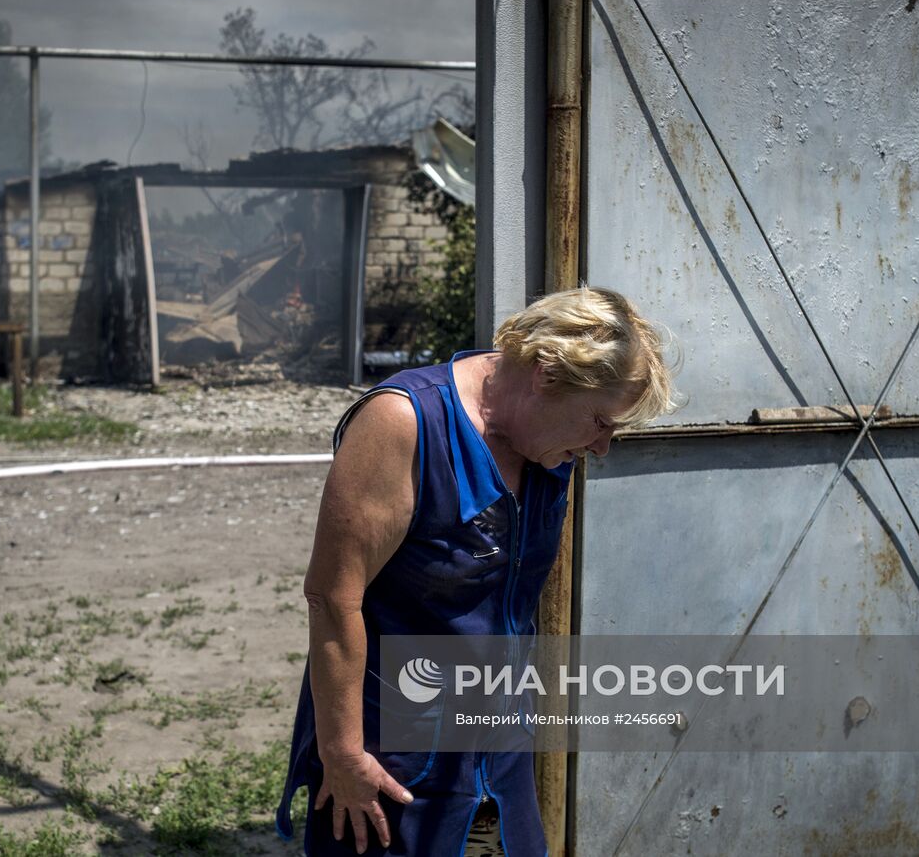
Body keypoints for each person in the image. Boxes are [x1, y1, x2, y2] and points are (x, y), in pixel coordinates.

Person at [276, 286, 680, 855]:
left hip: (498, 741)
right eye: (598, 421)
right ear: (545, 375)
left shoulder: (544, 444)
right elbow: (332, 596)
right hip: (391, 752)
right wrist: (342, 754)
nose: (603, 446)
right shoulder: (405, 422)